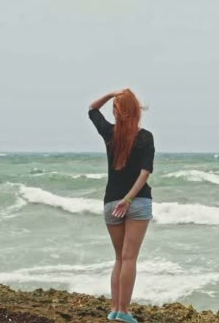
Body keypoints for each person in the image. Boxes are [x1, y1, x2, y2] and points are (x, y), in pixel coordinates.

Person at [88, 88, 155, 323]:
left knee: (119, 258)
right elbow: (145, 172)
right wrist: (128, 200)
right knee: (129, 258)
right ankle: (124, 312)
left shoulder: (109, 133)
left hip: (111, 202)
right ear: (135, 111)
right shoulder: (145, 137)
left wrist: (109, 94)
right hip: (136, 202)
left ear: (117, 112)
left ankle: (115, 309)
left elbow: (92, 109)